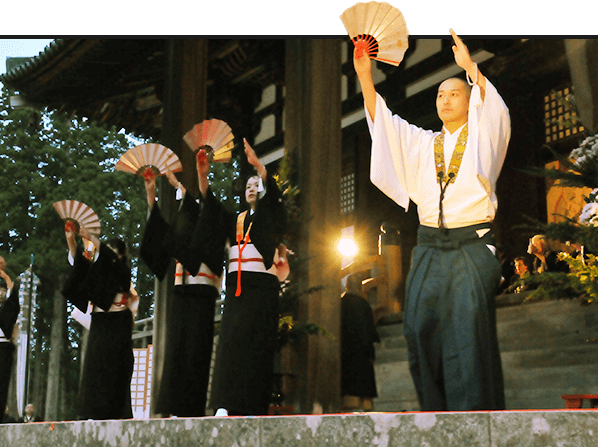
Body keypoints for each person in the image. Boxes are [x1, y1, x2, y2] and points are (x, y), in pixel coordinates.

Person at [354, 29, 510, 411]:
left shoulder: (482, 134)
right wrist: (363, 73)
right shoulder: (425, 142)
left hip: (471, 244)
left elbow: (496, 112)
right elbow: (385, 125)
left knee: (467, 328)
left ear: (470, 99)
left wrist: (470, 67)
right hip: (429, 245)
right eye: (440, 94)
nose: (445, 98)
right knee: (417, 326)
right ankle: (436, 413)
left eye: (454, 92)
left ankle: (473, 416)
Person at [197, 139, 288, 416]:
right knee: (230, 345)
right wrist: (202, 176)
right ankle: (225, 404)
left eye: (256, 186)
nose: (252, 189)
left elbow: (274, 199)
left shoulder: (269, 214)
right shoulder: (236, 219)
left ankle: (253, 405)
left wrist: (260, 167)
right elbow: (211, 207)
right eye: (248, 186)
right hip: (237, 290)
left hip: (262, 289)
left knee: (257, 346)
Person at [139, 167, 220, 417]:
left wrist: (177, 184)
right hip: (181, 292)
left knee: (196, 351)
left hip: (202, 294)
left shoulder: (211, 224)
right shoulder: (181, 232)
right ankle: (170, 407)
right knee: (175, 351)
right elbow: (160, 231)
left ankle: (193, 408)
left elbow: (199, 210)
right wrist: (151, 196)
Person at [62, 226, 137, 420]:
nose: (106, 255)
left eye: (112, 252)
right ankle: (92, 412)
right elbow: (81, 268)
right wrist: (72, 242)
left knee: (116, 369)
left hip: (118, 322)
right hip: (100, 321)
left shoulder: (123, 270)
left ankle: (117, 413)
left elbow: (114, 266)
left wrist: (94, 240)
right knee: (95, 368)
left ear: (122, 255)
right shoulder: (100, 270)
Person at [341, 273, 380, 412]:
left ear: (346, 286)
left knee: (348, 390)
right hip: (363, 351)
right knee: (366, 389)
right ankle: (367, 409)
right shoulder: (364, 304)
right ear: (360, 288)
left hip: (345, 351)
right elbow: (371, 329)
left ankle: (348, 408)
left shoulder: (341, 304)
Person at [0, 257, 19, 420]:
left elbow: (13, 301)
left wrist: (6, 277)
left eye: (3, 290)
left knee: (1, 384)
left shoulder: (8, 306)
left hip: (3, 348)